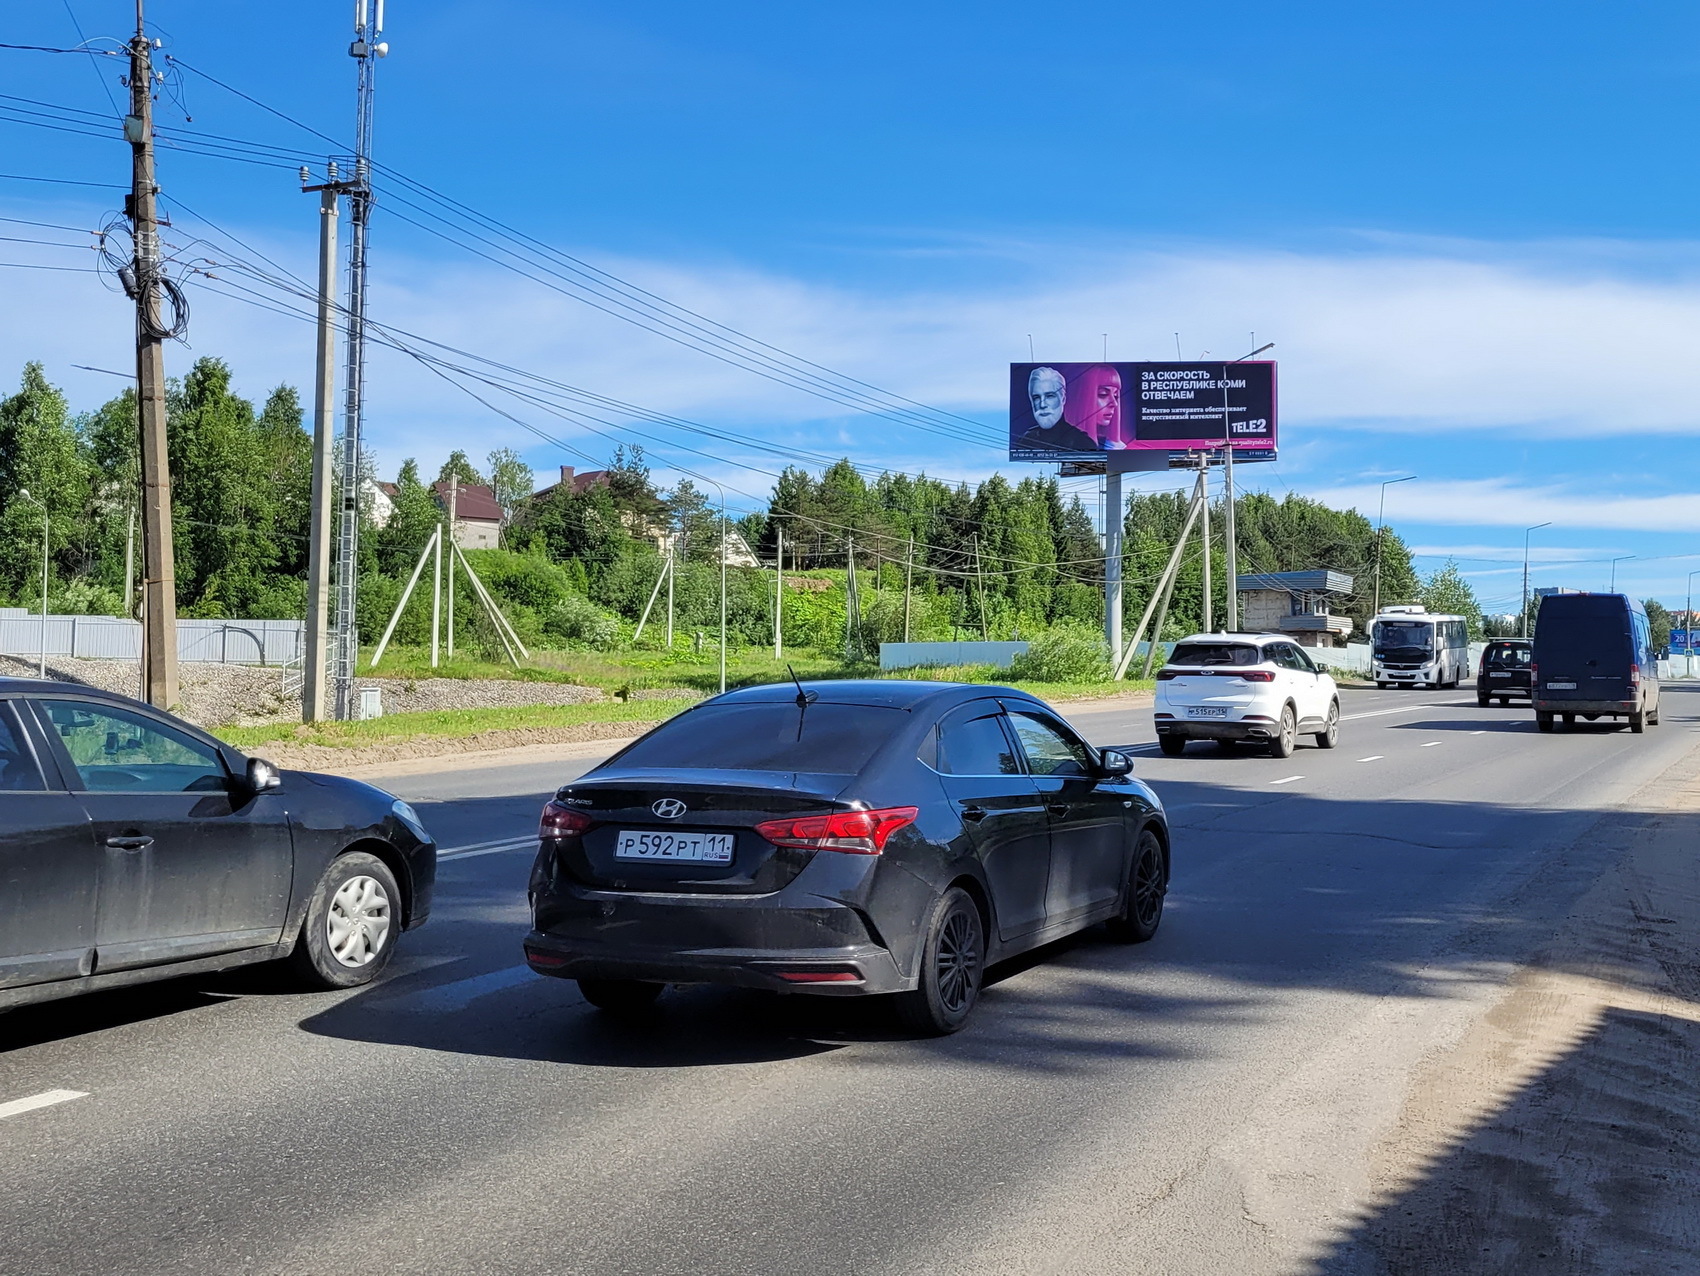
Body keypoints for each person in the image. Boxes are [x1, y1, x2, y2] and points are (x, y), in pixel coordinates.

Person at [1012, 366, 1097, 454]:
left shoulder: (1082, 442)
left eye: (1049, 396)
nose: (1042, 405)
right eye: (1036, 397)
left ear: (1063, 399)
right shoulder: (1025, 440)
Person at [1067, 364, 1125, 449]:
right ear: (1080, 399)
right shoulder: (1061, 445)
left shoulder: (1117, 448)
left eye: (1115, 395)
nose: (1114, 403)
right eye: (1103, 394)